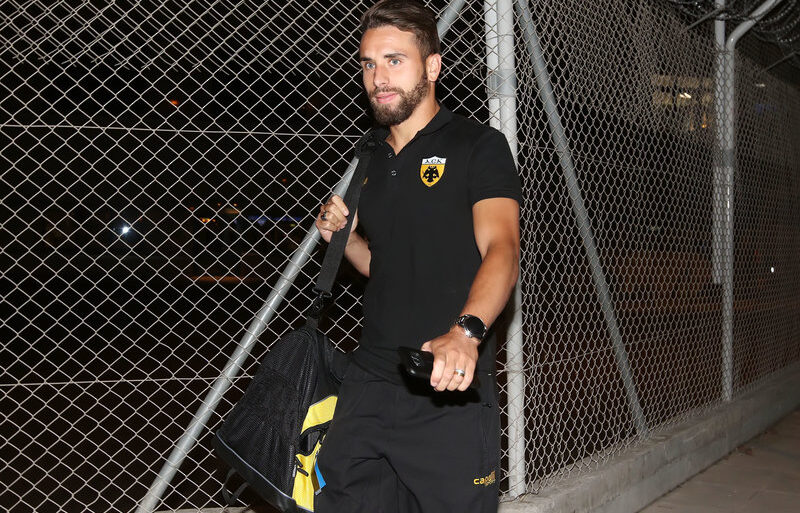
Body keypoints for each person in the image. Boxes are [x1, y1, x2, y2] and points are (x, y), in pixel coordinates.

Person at [313, 1, 521, 511]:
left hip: (445, 387)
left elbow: (503, 248)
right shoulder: (369, 157)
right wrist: (344, 240)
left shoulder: (478, 145)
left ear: (432, 66)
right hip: (368, 383)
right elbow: (383, 266)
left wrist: (466, 334)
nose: (378, 78)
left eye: (394, 60)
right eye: (368, 63)